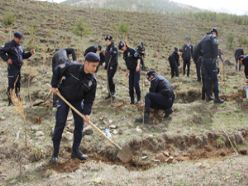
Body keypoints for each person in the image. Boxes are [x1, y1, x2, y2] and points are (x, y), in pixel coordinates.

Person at [50, 52, 99, 164]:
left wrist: (86, 113)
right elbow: (57, 70)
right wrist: (54, 86)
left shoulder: (92, 81)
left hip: (77, 101)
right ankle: (55, 154)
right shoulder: (72, 67)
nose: (95, 68)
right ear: (86, 63)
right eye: (93, 65)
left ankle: (75, 151)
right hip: (63, 98)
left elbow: (89, 99)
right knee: (60, 124)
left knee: (79, 125)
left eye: (96, 66)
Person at [0, 32, 35, 105]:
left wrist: (30, 53)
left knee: (18, 84)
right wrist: (7, 59)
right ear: (15, 37)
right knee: (11, 84)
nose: (20, 40)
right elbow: (1, 51)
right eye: (19, 38)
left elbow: (23, 56)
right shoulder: (9, 45)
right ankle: (10, 102)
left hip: (18, 68)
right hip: (12, 68)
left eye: (21, 39)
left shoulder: (20, 47)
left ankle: (18, 99)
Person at [194, 28, 224, 104]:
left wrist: (197, 60)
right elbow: (215, 45)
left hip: (203, 62)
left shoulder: (203, 38)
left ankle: (208, 97)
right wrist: (215, 56)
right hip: (211, 61)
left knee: (206, 79)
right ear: (214, 33)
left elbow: (195, 50)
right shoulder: (213, 36)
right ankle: (216, 98)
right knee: (214, 79)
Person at [104, 35, 118, 99]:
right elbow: (107, 57)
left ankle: (113, 92)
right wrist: (105, 64)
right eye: (106, 41)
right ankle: (109, 93)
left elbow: (114, 59)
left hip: (113, 66)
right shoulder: (107, 48)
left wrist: (111, 66)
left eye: (108, 41)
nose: (106, 42)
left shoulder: (114, 48)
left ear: (111, 41)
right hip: (108, 66)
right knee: (108, 79)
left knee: (110, 78)